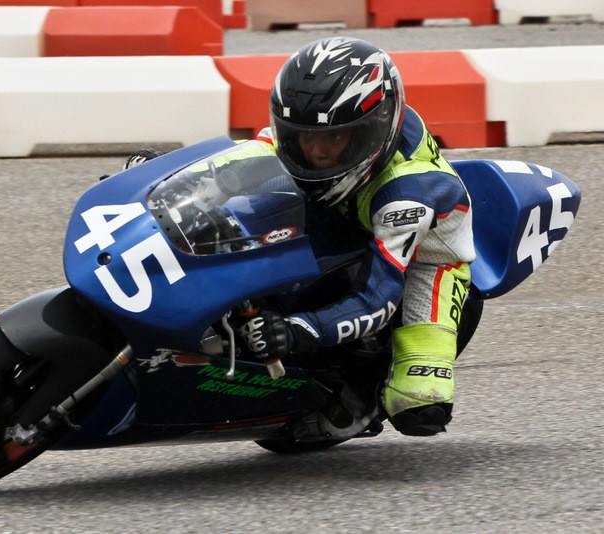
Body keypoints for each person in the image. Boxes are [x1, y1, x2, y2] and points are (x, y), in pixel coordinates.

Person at [126, 37, 476, 439]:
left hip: (425, 257)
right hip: (341, 207)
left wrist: (300, 330)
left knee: (419, 405)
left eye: (333, 139)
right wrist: (166, 178)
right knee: (238, 223)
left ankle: (365, 393)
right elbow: (249, 156)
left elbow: (379, 296)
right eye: (303, 136)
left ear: (373, 131)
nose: (316, 152)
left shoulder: (407, 195)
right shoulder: (317, 135)